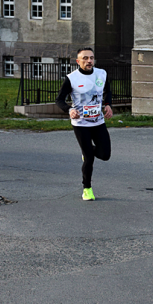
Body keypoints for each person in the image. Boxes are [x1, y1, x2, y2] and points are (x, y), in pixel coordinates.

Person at [55, 47, 113, 201]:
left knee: (105, 155)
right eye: (85, 58)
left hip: (98, 121)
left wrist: (107, 104)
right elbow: (59, 100)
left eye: (91, 58)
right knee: (89, 158)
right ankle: (87, 188)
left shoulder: (101, 73)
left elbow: (107, 90)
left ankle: (87, 150)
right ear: (78, 61)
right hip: (81, 124)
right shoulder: (71, 78)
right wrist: (69, 110)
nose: (89, 61)